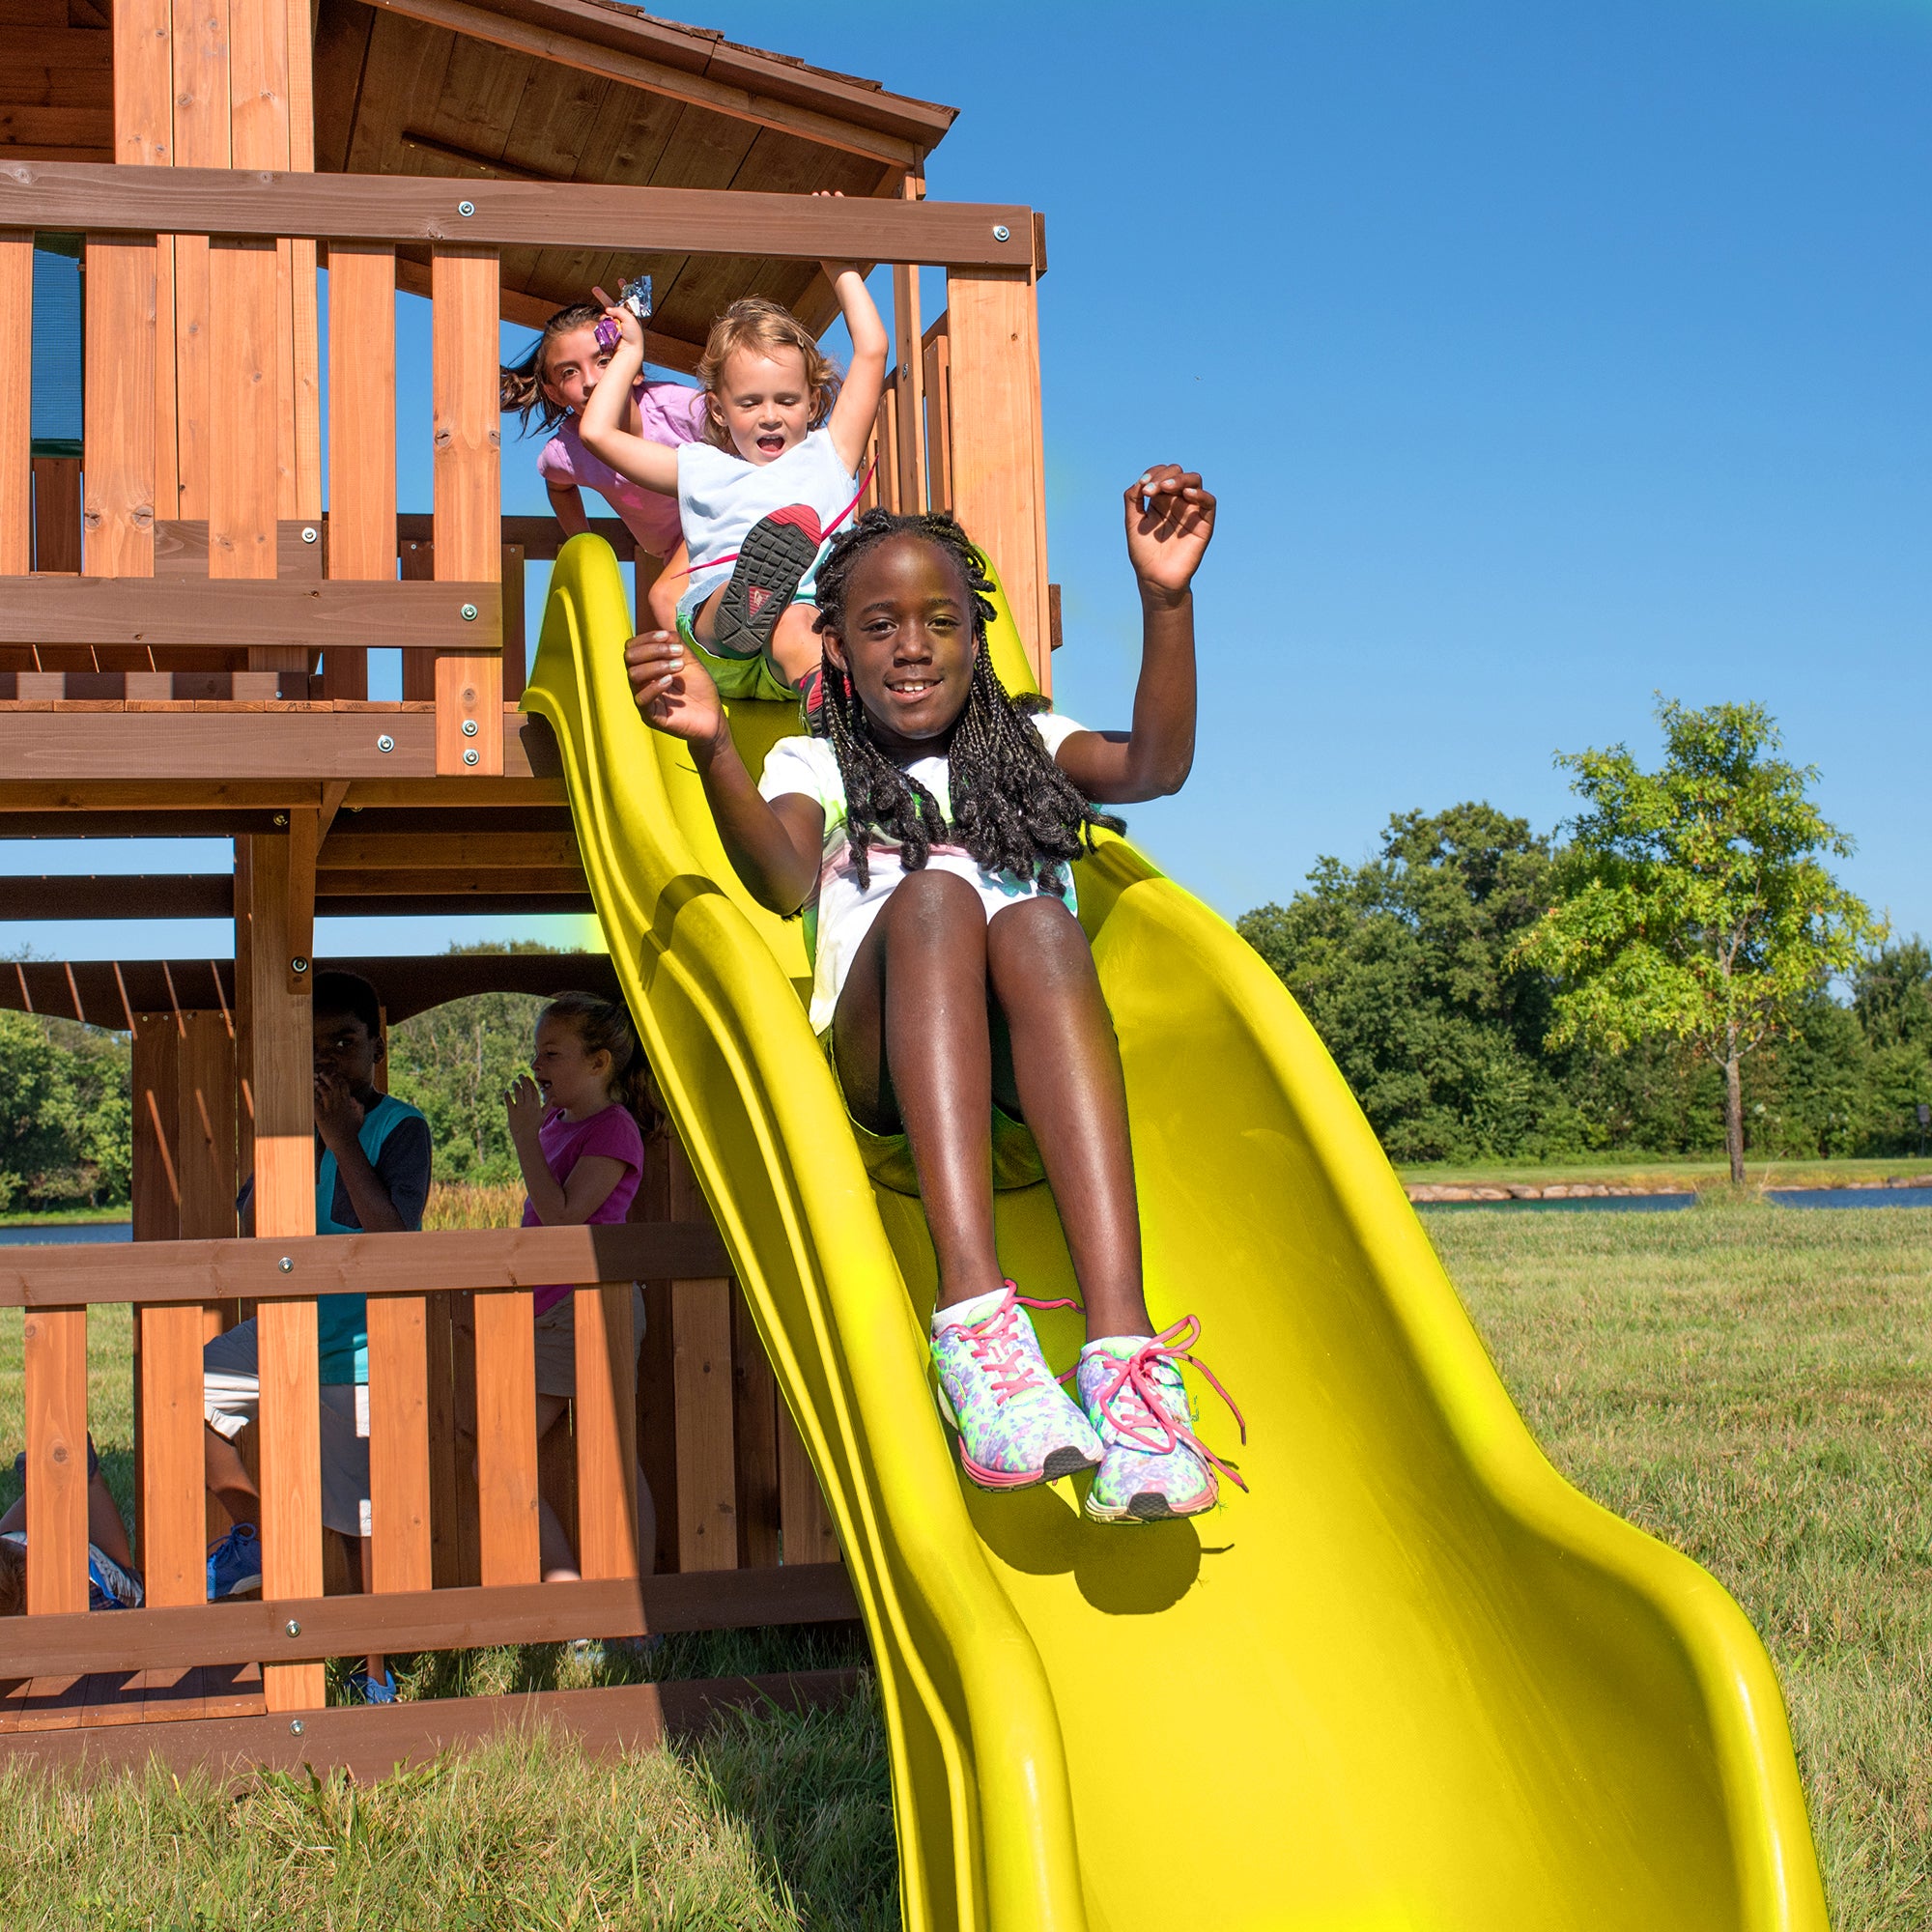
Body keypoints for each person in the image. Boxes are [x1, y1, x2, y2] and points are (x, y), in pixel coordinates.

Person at [622, 467, 1245, 1524]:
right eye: (877, 625)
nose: (910, 645)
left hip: (1016, 1080)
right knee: (932, 899)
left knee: (1041, 920)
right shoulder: (811, 759)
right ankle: (974, 1327)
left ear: (976, 638)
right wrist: (717, 744)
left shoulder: (1033, 747)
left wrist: (1165, 599)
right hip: (886, 1073)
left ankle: (1123, 1362)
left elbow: (1154, 765)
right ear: (834, 649)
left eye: (939, 622)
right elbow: (777, 880)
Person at [203, 971, 430, 1695]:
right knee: (181, 1391)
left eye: (344, 1042)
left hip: (358, 1350)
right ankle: (259, 1537)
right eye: (313, 1048)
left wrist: (340, 1135)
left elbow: (391, 1238)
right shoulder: (287, 1125)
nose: (329, 1060)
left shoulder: (402, 1128)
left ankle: (376, 1673)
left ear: (376, 1047)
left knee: (355, 1519)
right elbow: (251, 1219)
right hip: (282, 1332)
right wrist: (299, 1134)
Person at [579, 207, 889, 710]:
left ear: (812, 403)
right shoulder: (700, 467)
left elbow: (872, 350)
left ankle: (826, 707)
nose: (770, 416)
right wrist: (630, 354)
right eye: (750, 403)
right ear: (720, 412)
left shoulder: (828, 454)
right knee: (726, 599)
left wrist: (840, 268)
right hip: (722, 647)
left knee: (797, 623)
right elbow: (596, 432)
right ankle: (749, 600)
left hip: (811, 637)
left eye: (787, 401)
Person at [497, 992, 657, 1582]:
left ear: (599, 1063)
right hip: (553, 1309)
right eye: (537, 1052)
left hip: (586, 1306)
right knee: (506, 1455)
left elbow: (563, 1219)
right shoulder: (557, 1126)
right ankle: (573, 1595)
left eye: (551, 1053)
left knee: (606, 1454)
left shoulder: (613, 1128)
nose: (537, 1066)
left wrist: (521, 1138)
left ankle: (624, 1613)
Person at [499, 298, 707, 634]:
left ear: (633, 367)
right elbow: (558, 484)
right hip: (676, 551)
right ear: (554, 394)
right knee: (685, 614)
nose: (591, 380)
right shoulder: (567, 453)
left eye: (604, 361)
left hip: (720, 523)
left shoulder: (681, 410)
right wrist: (584, 541)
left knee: (665, 596)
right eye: (570, 372)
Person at [0, 1436, 142, 1614]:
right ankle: (49, 1484)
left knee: (126, 1584)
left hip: (79, 1570)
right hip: (15, 1545)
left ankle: (69, 1478)